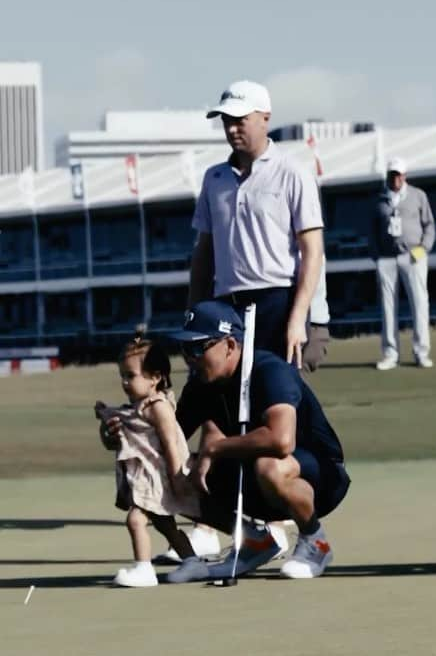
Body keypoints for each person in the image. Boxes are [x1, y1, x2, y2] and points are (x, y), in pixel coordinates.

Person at [165, 301, 351, 582]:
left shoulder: (269, 370)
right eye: (184, 350)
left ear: (229, 345)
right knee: (175, 469)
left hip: (319, 474)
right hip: (251, 476)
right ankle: (254, 541)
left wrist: (213, 449)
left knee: (270, 467)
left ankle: (316, 541)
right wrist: (122, 431)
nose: (189, 359)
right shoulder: (201, 385)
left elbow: (281, 441)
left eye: (196, 348)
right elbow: (170, 437)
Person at [189, 79, 324, 366]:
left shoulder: (292, 172)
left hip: (277, 299)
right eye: (226, 121)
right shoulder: (214, 178)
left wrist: (298, 318)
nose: (231, 129)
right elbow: (204, 253)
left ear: (265, 118)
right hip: (225, 304)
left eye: (240, 120)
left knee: (276, 397)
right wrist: (195, 312)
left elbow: (312, 251)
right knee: (225, 401)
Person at [95, 335, 201, 588]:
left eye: (131, 375)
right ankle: (193, 562)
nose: (124, 382)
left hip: (159, 477)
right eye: (122, 375)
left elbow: (172, 443)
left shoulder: (158, 406)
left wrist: (177, 476)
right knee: (166, 526)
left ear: (154, 377)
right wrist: (108, 426)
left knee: (135, 519)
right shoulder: (135, 408)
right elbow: (117, 441)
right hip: (144, 477)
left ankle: (144, 569)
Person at [369, 156, 436, 370]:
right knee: (388, 308)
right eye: (392, 174)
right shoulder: (378, 199)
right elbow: (371, 232)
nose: (396, 178)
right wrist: (376, 256)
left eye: (399, 174)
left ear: (404, 175)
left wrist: (423, 249)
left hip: (413, 256)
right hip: (386, 259)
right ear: (387, 176)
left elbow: (429, 226)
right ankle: (390, 353)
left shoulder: (418, 196)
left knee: (419, 304)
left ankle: (421, 352)